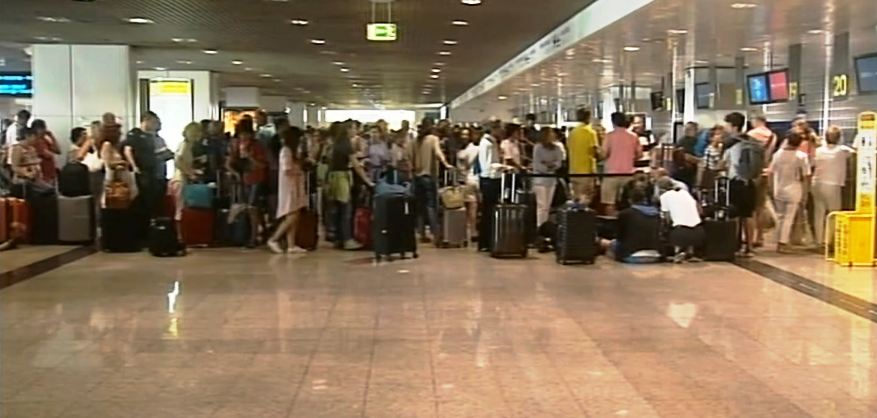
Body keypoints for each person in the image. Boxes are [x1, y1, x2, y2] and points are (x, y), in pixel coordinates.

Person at [326, 121, 373, 250]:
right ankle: (347, 239)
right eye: (353, 129)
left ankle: (338, 238)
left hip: (334, 177)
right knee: (346, 208)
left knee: (339, 209)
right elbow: (356, 166)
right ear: (347, 130)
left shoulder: (338, 143)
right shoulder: (346, 144)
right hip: (342, 178)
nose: (356, 131)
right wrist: (367, 181)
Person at [721, 112, 760, 257]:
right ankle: (749, 247)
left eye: (727, 125)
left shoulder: (730, 143)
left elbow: (724, 163)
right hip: (750, 182)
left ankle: (735, 245)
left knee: (735, 215)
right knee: (748, 216)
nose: (726, 128)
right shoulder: (753, 141)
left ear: (734, 126)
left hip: (735, 182)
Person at [227, 122, 269, 248]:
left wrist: (250, 157)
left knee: (252, 208)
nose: (244, 137)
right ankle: (258, 231)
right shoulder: (236, 146)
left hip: (256, 178)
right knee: (249, 208)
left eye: (246, 134)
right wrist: (235, 173)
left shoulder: (257, 146)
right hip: (244, 179)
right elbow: (229, 162)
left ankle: (253, 237)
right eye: (241, 134)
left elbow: (262, 165)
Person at [268, 127, 309, 254]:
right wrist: (299, 170)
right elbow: (287, 169)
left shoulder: (293, 151)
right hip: (289, 185)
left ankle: (291, 244)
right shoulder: (286, 151)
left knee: (295, 213)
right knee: (292, 214)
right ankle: (274, 238)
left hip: (295, 184)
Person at [768, 131, 811, 254]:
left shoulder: (777, 155)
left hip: (778, 188)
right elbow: (806, 175)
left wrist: (771, 188)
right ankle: (783, 242)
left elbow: (771, 172)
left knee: (780, 216)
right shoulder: (801, 156)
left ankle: (778, 241)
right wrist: (806, 192)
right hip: (794, 189)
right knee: (789, 217)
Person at [812, 126, 853, 249]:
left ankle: (819, 240)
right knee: (834, 213)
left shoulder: (818, 150)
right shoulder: (842, 151)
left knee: (818, 212)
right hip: (832, 184)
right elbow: (854, 152)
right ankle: (829, 241)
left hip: (816, 183)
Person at [123, 111, 161, 241]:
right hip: (141, 171)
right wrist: (134, 166)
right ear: (146, 120)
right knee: (142, 201)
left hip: (152, 171)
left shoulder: (151, 136)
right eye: (153, 122)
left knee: (151, 201)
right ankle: (139, 233)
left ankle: (147, 231)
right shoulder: (135, 134)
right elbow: (128, 150)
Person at [601, 185, 662, 264]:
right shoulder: (656, 214)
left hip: (632, 256)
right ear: (645, 199)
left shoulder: (625, 213)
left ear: (629, 200)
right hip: (656, 255)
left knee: (607, 246)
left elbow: (619, 236)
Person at [412, 119, 450, 243]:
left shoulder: (416, 141)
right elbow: (438, 153)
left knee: (420, 207)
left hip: (417, 177)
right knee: (431, 206)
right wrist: (446, 164)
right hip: (429, 176)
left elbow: (408, 157)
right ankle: (436, 234)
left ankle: (421, 233)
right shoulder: (433, 139)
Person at [600, 112, 642, 215]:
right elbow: (639, 155)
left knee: (609, 203)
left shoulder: (609, 136)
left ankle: (612, 225)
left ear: (613, 122)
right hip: (628, 174)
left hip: (611, 174)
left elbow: (603, 154)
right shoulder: (634, 136)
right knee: (627, 202)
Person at [658, 177, 705, 263]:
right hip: (699, 231)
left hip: (680, 233)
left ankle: (678, 251)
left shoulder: (664, 196)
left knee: (669, 227)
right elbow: (700, 210)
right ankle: (690, 252)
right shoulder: (685, 193)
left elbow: (666, 217)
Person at [477, 119, 507, 252]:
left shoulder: (491, 142)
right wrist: (502, 167)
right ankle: (485, 241)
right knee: (488, 212)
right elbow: (487, 164)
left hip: (491, 178)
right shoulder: (487, 144)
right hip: (489, 179)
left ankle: (487, 240)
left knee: (489, 211)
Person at [747, 116, 777, 247]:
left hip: (752, 172)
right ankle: (760, 237)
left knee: (750, 208)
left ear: (755, 121)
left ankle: (750, 237)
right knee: (761, 206)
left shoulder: (751, 135)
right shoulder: (773, 136)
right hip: (765, 171)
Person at [170, 122, 202, 241]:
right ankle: (179, 237)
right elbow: (178, 162)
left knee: (181, 208)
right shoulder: (184, 146)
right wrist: (190, 173)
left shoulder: (187, 146)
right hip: (180, 179)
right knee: (180, 208)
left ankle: (181, 236)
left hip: (182, 178)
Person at [532, 127, 565, 231]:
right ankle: (540, 228)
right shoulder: (537, 148)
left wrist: (548, 165)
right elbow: (537, 165)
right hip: (540, 181)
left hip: (551, 180)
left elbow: (559, 163)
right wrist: (549, 166)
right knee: (541, 206)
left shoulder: (557, 148)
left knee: (548, 206)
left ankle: (546, 228)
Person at [10, 128, 54, 198]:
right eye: (35, 138)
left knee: (50, 191)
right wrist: (26, 173)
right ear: (28, 136)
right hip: (24, 182)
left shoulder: (32, 148)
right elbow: (14, 166)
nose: (36, 140)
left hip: (36, 179)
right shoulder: (18, 148)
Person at [567, 108, 598, 203]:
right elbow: (594, 151)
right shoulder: (590, 132)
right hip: (586, 171)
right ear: (589, 117)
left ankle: (575, 215)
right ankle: (583, 217)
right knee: (586, 198)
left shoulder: (572, 133)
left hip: (573, 170)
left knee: (576, 197)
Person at [455, 127, 480, 239]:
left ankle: (470, 230)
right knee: (472, 207)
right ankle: (472, 230)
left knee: (469, 207)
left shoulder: (465, 151)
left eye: (466, 134)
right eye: (462, 134)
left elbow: (463, 166)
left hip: (468, 180)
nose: (464, 137)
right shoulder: (477, 149)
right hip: (472, 179)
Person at [31, 119, 61, 185]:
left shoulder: (45, 140)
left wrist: (52, 137)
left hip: (51, 172)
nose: (45, 130)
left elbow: (58, 151)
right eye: (43, 128)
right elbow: (48, 154)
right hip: (42, 173)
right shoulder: (34, 141)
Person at [673, 122, 700, 189]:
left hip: (693, 171)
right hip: (681, 170)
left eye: (689, 129)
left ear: (695, 130)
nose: (687, 130)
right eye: (686, 128)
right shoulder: (682, 141)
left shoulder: (698, 141)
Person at [698, 125, 725, 190]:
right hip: (711, 176)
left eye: (721, 134)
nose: (720, 136)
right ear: (711, 137)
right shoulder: (709, 149)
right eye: (718, 134)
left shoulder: (721, 148)